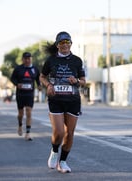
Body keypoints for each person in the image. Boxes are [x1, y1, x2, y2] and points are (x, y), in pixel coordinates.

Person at [40, 31, 86, 173]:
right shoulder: (51, 60)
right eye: (62, 43)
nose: (65, 45)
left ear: (71, 44)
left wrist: (77, 81)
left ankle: (63, 162)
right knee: (59, 132)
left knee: (70, 133)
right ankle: (54, 152)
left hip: (72, 100)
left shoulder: (77, 61)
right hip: (56, 99)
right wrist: (48, 85)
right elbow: (42, 76)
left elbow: (83, 82)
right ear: (57, 45)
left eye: (67, 42)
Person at [10, 52, 42, 141]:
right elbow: (12, 78)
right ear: (22, 59)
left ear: (31, 59)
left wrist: (39, 85)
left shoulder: (35, 69)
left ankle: (28, 133)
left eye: (29, 58)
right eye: (25, 58)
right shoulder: (18, 69)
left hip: (29, 94)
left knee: (29, 112)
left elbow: (37, 79)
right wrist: (17, 84)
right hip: (20, 94)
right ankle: (20, 125)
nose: (27, 60)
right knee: (21, 114)